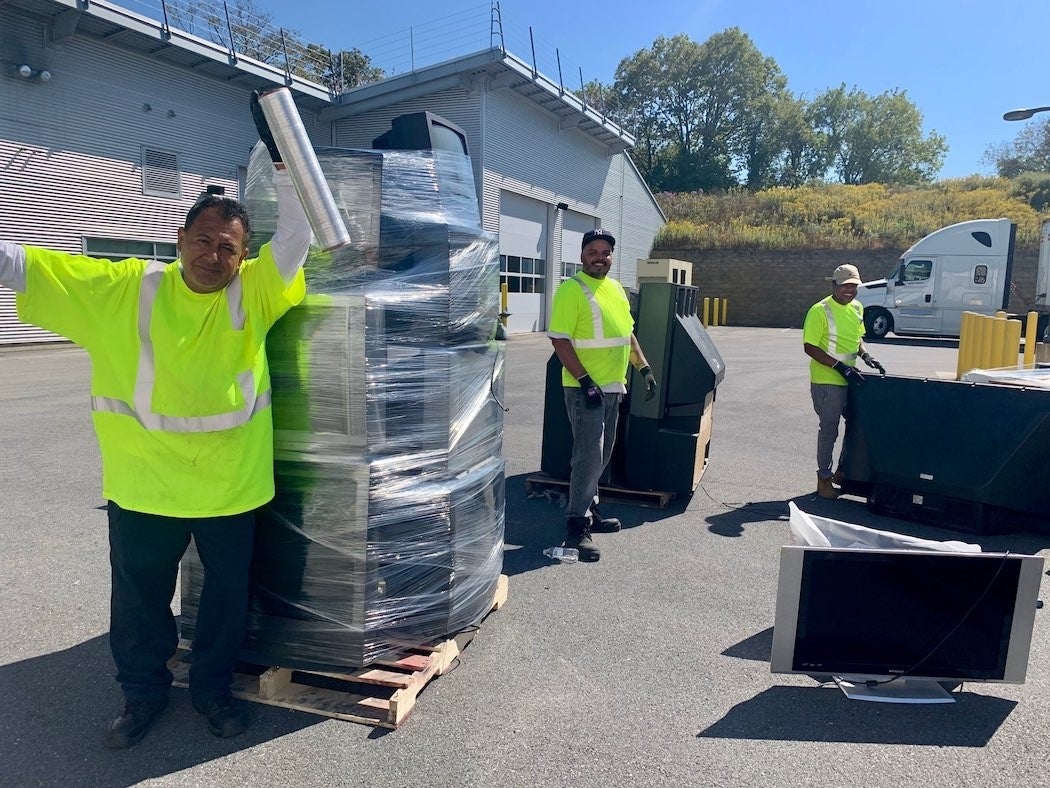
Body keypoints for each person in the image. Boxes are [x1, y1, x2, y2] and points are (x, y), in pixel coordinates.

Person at [0, 91, 311, 748]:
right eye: (202, 241)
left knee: (226, 605)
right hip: (144, 489)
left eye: (228, 248)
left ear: (242, 255)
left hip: (230, 490)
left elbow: (298, 237)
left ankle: (211, 693)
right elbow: (25, 265)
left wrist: (285, 164)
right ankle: (140, 696)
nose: (213, 257)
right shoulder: (125, 291)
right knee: (140, 603)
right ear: (179, 240)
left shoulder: (254, 291)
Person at [548, 228, 657, 562]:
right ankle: (575, 526)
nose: (599, 257)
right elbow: (560, 340)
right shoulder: (572, 289)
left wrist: (644, 368)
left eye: (606, 252)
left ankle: (589, 509)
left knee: (603, 455)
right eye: (593, 251)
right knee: (588, 456)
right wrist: (585, 381)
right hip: (585, 389)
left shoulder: (616, 290)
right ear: (582, 255)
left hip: (613, 387)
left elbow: (627, 335)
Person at [802, 263, 886, 499]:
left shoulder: (858, 307)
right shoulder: (820, 311)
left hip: (850, 376)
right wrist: (839, 367)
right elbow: (809, 346)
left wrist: (866, 355)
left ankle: (842, 471)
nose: (850, 291)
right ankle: (824, 478)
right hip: (827, 380)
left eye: (854, 286)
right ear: (834, 286)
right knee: (829, 430)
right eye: (845, 286)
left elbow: (858, 338)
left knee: (857, 425)